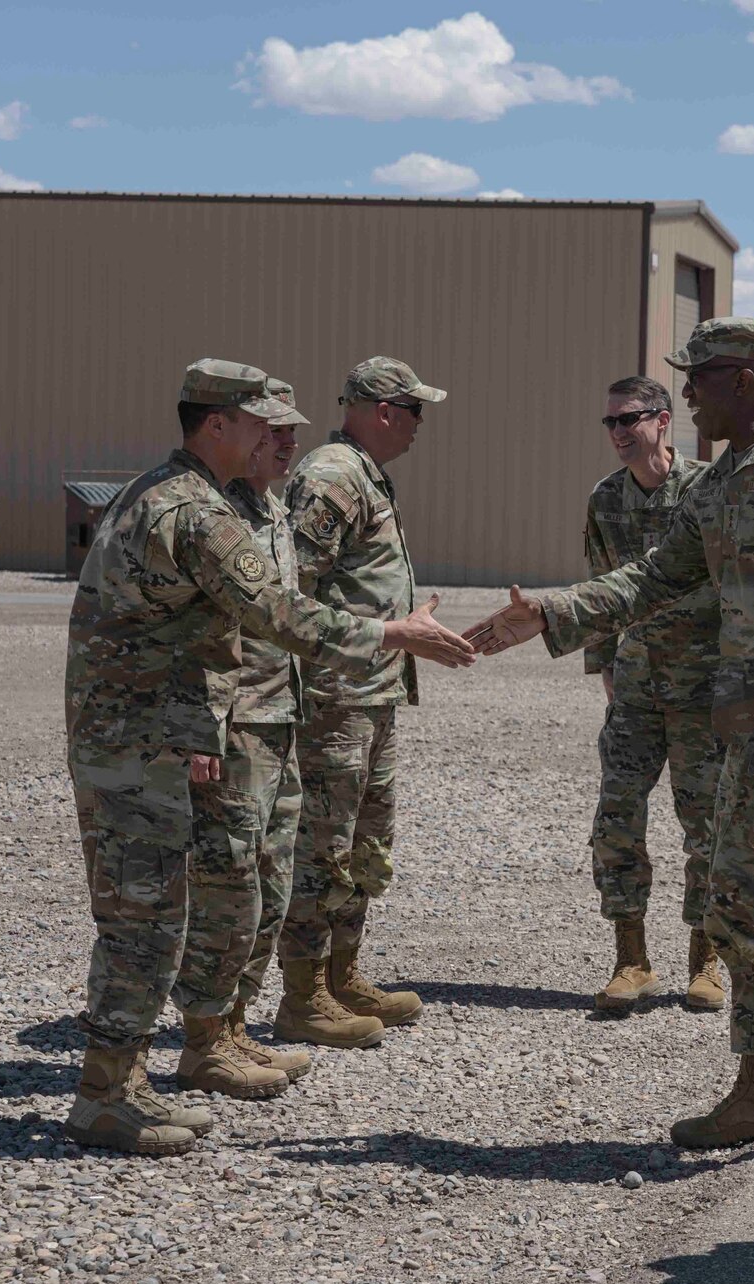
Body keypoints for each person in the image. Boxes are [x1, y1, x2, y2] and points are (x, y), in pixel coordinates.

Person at [464, 317, 754, 1149]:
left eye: (699, 379)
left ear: (743, 379)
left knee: (747, 881)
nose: (688, 397)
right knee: (731, 886)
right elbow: (653, 576)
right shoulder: (722, 483)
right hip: (744, 713)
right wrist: (556, 613)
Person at [62, 359, 475, 1156]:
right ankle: (104, 1095)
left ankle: (129, 1078)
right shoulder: (193, 511)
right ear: (217, 424)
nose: (276, 439)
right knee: (143, 922)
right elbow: (280, 612)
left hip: (149, 736)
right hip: (138, 746)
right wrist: (395, 634)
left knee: (172, 910)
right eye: (262, 425)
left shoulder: (188, 495)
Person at [275, 356, 454, 1047]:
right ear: (383, 410)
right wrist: (386, 633)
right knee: (324, 845)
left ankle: (342, 975)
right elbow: (291, 595)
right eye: (415, 412)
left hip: (371, 691)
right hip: (334, 696)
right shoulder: (330, 477)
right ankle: (303, 995)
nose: (419, 427)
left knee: (364, 845)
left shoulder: (364, 474)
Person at [183, 378, 324, 1086]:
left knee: (271, 883)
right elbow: (202, 636)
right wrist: (205, 730)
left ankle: (237, 1024)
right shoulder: (216, 514)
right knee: (229, 887)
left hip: (280, 717)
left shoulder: (273, 508)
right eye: (275, 433)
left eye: (294, 432)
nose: (290, 444)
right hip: (237, 724)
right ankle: (204, 1039)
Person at [580, 375, 726, 1013]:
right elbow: (599, 584)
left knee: (708, 829)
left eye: (629, 419)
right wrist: (604, 663)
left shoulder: (707, 491)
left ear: (663, 421)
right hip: (636, 689)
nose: (617, 432)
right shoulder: (605, 499)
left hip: (703, 689)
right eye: (609, 422)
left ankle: (708, 960)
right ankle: (631, 959)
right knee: (616, 820)